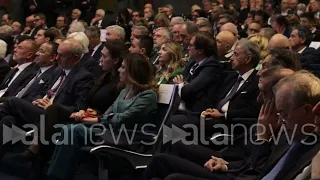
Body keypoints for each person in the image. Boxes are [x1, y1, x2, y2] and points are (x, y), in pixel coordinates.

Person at [144, 67, 294, 180]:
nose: (259, 99)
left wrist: (262, 139)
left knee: (166, 168)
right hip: (234, 163)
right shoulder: (269, 117)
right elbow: (247, 159)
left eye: (264, 92)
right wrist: (226, 163)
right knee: (170, 153)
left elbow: (258, 170)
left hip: (236, 173)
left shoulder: (289, 127)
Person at [46, 53, 158, 180]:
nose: (119, 70)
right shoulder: (124, 91)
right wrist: (105, 118)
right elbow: (108, 115)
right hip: (109, 132)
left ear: (133, 71)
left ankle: (56, 176)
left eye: (123, 67)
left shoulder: (148, 96)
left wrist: (105, 118)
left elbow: (120, 120)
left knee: (73, 130)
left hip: (129, 138)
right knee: (67, 128)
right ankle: (55, 174)